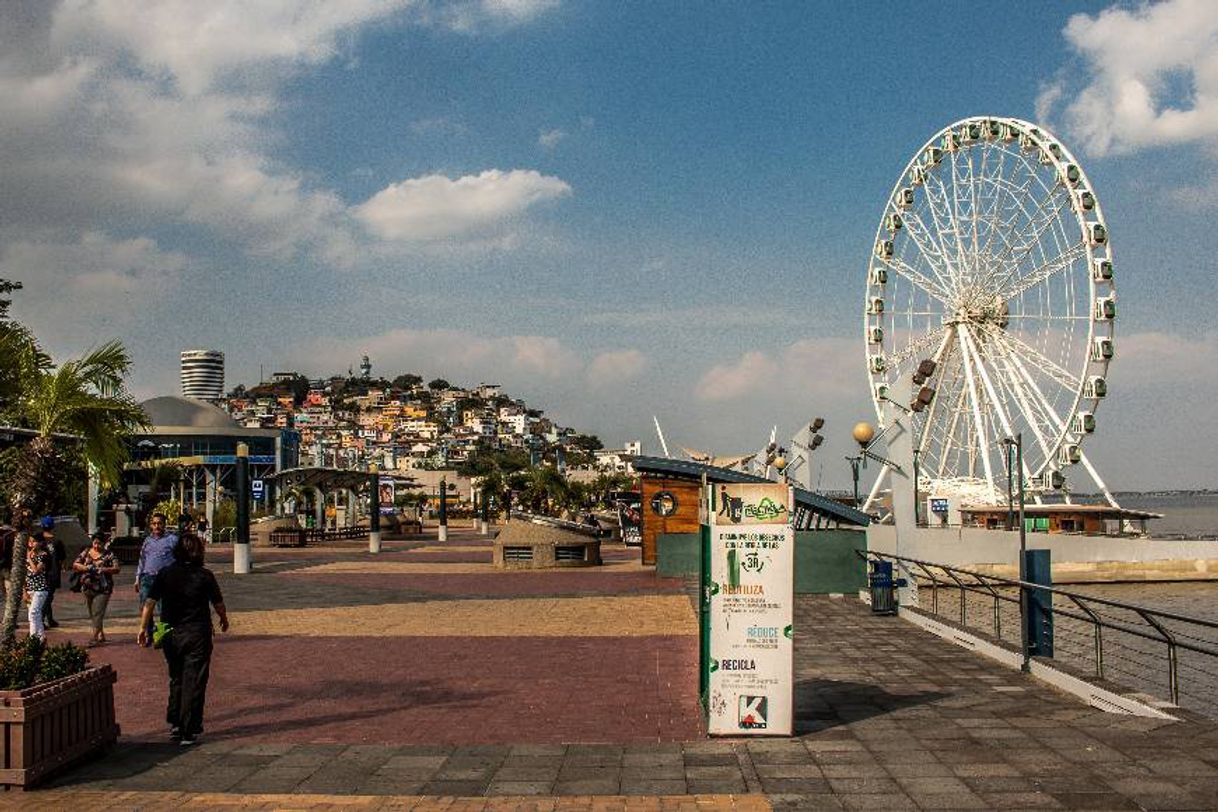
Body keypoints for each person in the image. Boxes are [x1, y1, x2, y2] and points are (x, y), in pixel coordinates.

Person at [138, 533, 228, 746]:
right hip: (197, 631)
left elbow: (150, 602)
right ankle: (189, 728)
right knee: (194, 679)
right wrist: (223, 619)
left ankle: (176, 723)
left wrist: (143, 627)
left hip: (168, 630)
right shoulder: (205, 575)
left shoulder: (165, 573)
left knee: (176, 676)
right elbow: (218, 603)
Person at [135, 512, 178, 640]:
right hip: (147, 578)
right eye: (154, 523)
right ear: (150, 525)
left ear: (164, 524)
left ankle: (163, 634)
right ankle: (148, 633)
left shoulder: (172, 540)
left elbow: (180, 557)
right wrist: (138, 577)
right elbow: (142, 560)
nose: (157, 526)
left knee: (163, 608)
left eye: (159, 523)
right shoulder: (147, 541)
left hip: (165, 580)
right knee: (145, 607)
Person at [73, 532, 120, 647]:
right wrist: (86, 568)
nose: (96, 546)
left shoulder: (109, 554)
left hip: (103, 588)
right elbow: (75, 564)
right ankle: (100, 633)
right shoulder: (86, 552)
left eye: (99, 543)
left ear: (104, 544)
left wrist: (104, 569)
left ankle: (94, 637)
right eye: (95, 543)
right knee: (92, 613)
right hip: (87, 587)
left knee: (98, 612)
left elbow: (117, 568)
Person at [39, 517, 66, 628]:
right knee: (48, 596)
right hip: (53, 572)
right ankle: (40, 620)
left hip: (40, 571)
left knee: (46, 595)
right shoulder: (57, 541)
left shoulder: (38, 540)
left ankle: (50, 619)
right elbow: (62, 558)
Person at [24, 532, 51, 640]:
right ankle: (40, 638)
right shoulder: (29, 554)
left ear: (40, 543)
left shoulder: (44, 555)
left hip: (40, 588)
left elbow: (36, 571)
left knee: (33, 613)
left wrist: (29, 559)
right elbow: (23, 574)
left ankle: (33, 639)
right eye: (30, 541)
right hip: (29, 588)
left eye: (34, 541)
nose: (31, 544)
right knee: (35, 615)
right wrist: (24, 591)